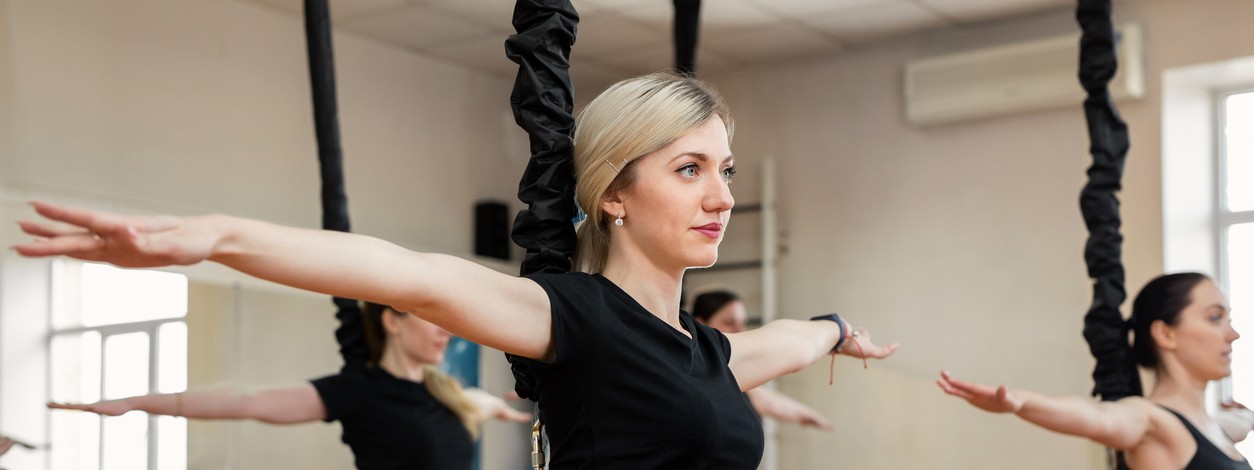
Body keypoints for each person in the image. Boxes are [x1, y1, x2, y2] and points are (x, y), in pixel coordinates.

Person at [16, 71, 897, 469]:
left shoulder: (707, 354)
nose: (721, 197)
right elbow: (400, 270)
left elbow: (782, 341)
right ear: (616, 196)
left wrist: (836, 331)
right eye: (689, 169)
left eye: (727, 171)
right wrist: (212, 237)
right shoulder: (572, 317)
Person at [49, 302, 529, 470]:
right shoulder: (356, 391)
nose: (446, 331)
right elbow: (245, 401)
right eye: (433, 321)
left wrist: (532, 406)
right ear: (393, 321)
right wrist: (136, 403)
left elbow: (502, 410)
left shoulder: (454, 397)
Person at [938, 273, 1249, 469]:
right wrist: (1021, 403)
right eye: (1214, 318)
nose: (1232, 334)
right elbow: (1097, 417)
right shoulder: (1151, 422)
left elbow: (1242, 421)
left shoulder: (1215, 427)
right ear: (1165, 334)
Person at [691, 290, 833, 431]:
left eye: (743, 323)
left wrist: (810, 416)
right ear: (700, 323)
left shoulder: (733, 374)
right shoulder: (693, 371)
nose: (740, 330)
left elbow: (768, 401)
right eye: (729, 322)